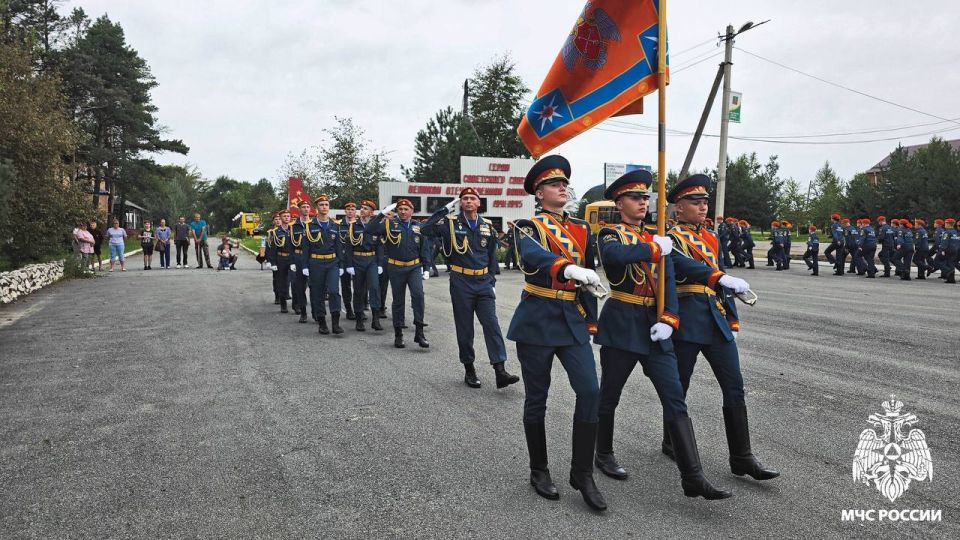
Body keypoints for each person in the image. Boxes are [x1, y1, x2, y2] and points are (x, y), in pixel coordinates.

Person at [594, 170, 730, 500]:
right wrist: (655, 249)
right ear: (619, 202)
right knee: (610, 394)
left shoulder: (658, 238)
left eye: (646, 198)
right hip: (622, 322)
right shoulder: (611, 233)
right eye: (635, 198)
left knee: (674, 397)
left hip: (655, 328)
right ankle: (603, 452)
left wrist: (669, 317)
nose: (642, 202)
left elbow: (668, 280)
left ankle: (692, 475)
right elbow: (614, 258)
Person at [663, 173, 780, 487]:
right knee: (680, 386)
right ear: (678, 207)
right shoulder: (669, 239)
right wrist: (719, 280)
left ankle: (742, 456)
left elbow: (720, 275)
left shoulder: (710, 238)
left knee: (734, 385)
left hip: (714, 319)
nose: (703, 207)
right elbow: (684, 268)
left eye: (705, 201)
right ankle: (670, 440)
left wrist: (732, 317)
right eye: (695, 202)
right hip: (686, 320)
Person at [507, 155, 606, 511]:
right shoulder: (526, 226)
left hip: (572, 318)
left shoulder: (581, 228)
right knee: (538, 399)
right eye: (554, 184)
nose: (562, 187)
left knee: (590, 391)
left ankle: (583, 473)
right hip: (537, 319)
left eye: (564, 183)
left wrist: (591, 319)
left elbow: (590, 274)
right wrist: (567, 267)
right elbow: (532, 257)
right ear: (538, 191)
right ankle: (539, 470)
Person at [421, 187, 520, 390]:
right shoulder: (449, 224)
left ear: (478, 203)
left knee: (492, 325)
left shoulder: (487, 226)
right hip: (461, 281)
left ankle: (500, 370)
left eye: (472, 198)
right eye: (464, 198)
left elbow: (492, 255)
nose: (468, 201)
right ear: (460, 203)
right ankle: (469, 369)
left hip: (483, 282)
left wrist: (491, 281)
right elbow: (425, 229)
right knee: (465, 328)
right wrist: (443, 210)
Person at [367, 198, 430, 348]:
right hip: (395, 268)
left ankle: (419, 332)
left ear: (412, 211)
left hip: (414, 267)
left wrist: (426, 268)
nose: (402, 211)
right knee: (398, 301)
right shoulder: (389, 224)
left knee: (418, 296)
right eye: (400, 209)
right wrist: (381, 214)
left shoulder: (418, 227)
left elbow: (424, 249)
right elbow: (369, 229)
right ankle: (398, 334)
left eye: (406, 209)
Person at [303, 195, 345, 334]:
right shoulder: (309, 226)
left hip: (332, 262)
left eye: (326, 204)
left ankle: (335, 323)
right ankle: (322, 322)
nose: (324, 207)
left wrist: (341, 265)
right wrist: (304, 266)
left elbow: (339, 247)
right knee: (318, 294)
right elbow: (305, 248)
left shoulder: (335, 225)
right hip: (316, 263)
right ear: (316, 208)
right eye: (321, 205)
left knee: (334, 291)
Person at [344, 200, 384, 332]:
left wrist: (379, 264)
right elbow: (349, 247)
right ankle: (359, 319)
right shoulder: (353, 226)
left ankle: (376, 319)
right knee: (359, 290)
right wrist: (349, 264)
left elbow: (379, 246)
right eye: (361, 208)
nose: (362, 210)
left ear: (372, 212)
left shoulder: (376, 226)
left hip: (371, 259)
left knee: (374, 287)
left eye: (365, 208)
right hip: (357, 259)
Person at [267, 209, 294, 313]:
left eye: (288, 216)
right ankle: (283, 303)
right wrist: (272, 262)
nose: (286, 218)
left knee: (295, 282)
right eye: (284, 216)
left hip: (292, 259)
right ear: (280, 218)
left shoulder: (293, 230)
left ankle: (296, 304)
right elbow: (272, 248)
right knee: (282, 282)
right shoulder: (275, 232)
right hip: (281, 258)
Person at [290, 201, 312, 320]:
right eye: (303, 207)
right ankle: (302, 311)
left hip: (312, 258)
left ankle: (316, 312)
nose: (306, 209)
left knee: (315, 286)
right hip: (298, 257)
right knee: (299, 285)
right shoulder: (293, 226)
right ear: (299, 209)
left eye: (308, 207)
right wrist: (292, 262)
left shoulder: (314, 224)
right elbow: (290, 246)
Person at [338, 203, 358, 321]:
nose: (350, 211)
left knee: (359, 285)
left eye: (353, 209)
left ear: (356, 211)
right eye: (348, 209)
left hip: (357, 258)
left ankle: (358, 308)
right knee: (345, 285)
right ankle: (349, 309)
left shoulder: (359, 224)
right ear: (345, 211)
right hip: (344, 258)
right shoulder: (339, 225)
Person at [942, 218, 958, 284]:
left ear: (948, 224)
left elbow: (945, 242)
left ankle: (950, 278)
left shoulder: (947, 232)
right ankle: (951, 279)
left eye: (946, 223)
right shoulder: (955, 232)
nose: (945, 224)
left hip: (948, 250)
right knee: (952, 264)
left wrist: (943, 249)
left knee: (948, 264)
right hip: (955, 249)